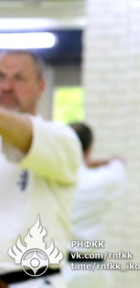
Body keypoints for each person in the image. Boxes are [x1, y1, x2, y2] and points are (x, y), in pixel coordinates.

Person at [0, 50, 82, 287]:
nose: (6, 87)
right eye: (1, 77)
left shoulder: (61, 137)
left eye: (19, 78)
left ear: (41, 86)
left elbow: (26, 135)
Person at [61, 122, 127, 288]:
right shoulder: (102, 181)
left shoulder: (51, 180)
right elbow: (119, 163)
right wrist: (93, 161)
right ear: (90, 147)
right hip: (95, 271)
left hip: (60, 270)